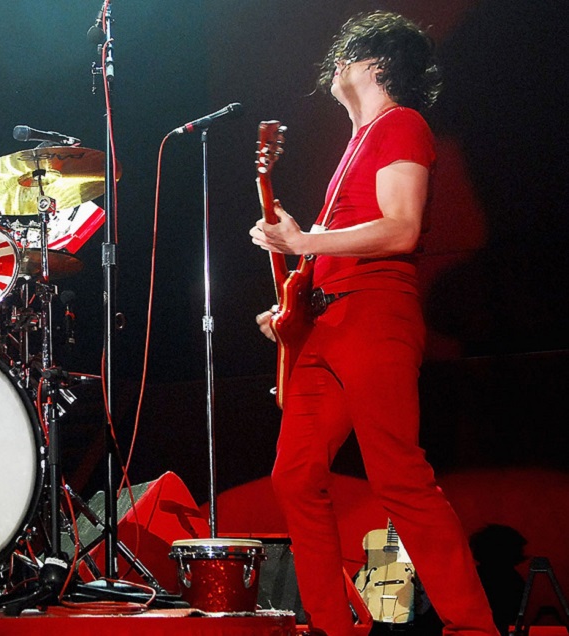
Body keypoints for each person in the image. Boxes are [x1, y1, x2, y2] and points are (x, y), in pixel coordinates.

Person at [248, 11, 496, 636]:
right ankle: (331, 625)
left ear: (377, 65)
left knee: (397, 473)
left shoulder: (402, 125)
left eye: (348, 54)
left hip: (375, 314)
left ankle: (473, 626)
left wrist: (303, 240)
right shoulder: (357, 143)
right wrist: (293, 305)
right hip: (328, 324)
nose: (336, 65)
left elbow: (401, 227)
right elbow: (336, 243)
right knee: (295, 475)